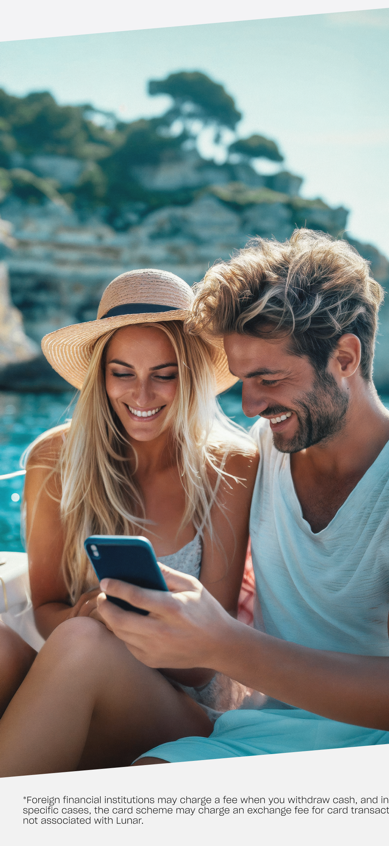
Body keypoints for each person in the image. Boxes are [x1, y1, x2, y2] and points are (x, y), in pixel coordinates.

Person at [101, 228, 389, 760]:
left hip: (377, 750)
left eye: (269, 379)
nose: (250, 406)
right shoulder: (268, 446)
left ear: (345, 358)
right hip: (254, 734)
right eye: (242, 380)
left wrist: (221, 643)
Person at [0, 268, 257, 775]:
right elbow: (48, 607)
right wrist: (87, 614)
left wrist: (113, 627)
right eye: (123, 373)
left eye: (164, 373)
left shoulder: (232, 465)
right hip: (82, 665)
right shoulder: (55, 457)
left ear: (191, 375)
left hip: (187, 700)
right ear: (101, 376)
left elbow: (207, 663)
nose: (142, 395)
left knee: (83, 642)